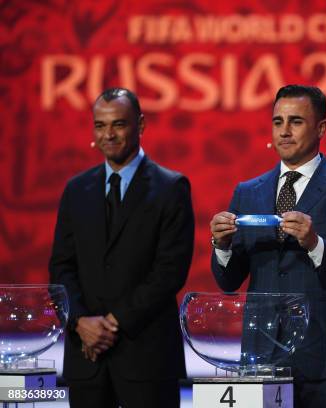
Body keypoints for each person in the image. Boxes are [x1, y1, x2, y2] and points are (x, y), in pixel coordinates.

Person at [210, 84, 326, 408]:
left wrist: (315, 244)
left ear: (321, 128)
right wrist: (222, 244)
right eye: (277, 121)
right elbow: (229, 281)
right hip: (262, 362)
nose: (284, 131)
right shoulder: (248, 192)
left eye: (296, 121)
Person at [49, 88, 195, 408]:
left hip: (147, 357)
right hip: (86, 359)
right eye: (100, 126)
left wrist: (111, 323)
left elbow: (170, 272)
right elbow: (61, 267)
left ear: (140, 125)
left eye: (118, 124)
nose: (108, 135)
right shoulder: (76, 190)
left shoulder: (171, 188)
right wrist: (81, 323)